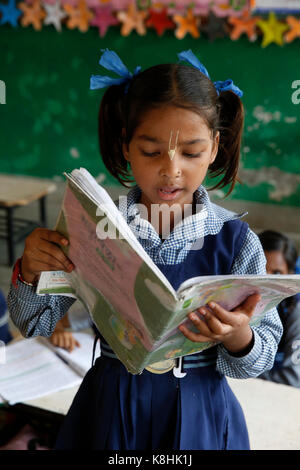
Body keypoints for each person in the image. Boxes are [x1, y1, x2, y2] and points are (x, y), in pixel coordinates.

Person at [7, 49, 283, 450]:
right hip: (109, 409)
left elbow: (261, 357)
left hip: (200, 414)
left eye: (191, 152)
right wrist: (30, 273)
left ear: (215, 147)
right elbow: (35, 323)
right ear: (125, 146)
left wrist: (239, 334)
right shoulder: (94, 225)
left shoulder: (239, 243)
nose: (171, 170)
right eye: (151, 151)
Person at [258, 230, 300, 387]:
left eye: (277, 273)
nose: (266, 280)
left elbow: (293, 379)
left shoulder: (295, 312)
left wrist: (245, 375)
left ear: (290, 274)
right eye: (260, 269)